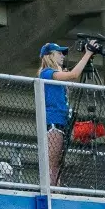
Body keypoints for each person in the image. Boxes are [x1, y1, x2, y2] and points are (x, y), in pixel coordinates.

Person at [36, 40, 94, 185]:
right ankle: (50, 190)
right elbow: (74, 74)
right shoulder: (47, 73)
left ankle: (55, 189)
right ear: (50, 55)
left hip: (61, 121)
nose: (63, 56)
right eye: (59, 53)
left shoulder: (54, 74)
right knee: (52, 163)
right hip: (53, 122)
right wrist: (87, 54)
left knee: (57, 164)